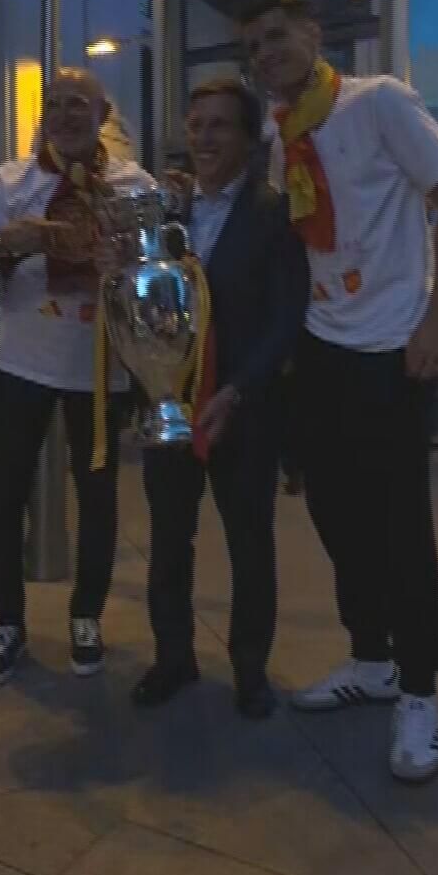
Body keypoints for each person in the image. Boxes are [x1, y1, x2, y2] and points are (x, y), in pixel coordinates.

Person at [240, 0, 438, 783]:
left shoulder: (380, 102)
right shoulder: (283, 136)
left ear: (313, 34)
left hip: (390, 343)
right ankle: (369, 656)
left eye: (277, 36)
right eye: (254, 48)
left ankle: (419, 688)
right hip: (323, 345)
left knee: (401, 522)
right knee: (337, 515)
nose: (267, 54)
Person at [0, 66, 143, 688]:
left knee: (98, 500)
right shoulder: (12, 181)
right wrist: (10, 242)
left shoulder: (132, 184)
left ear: (102, 110)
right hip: (20, 365)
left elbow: (160, 281)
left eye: (78, 104)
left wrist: (131, 261)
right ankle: (8, 623)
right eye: (53, 104)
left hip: (99, 366)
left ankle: (86, 616)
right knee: (3, 496)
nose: (64, 114)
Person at [127, 76, 309, 720]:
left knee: (250, 546)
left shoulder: (274, 211)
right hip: (171, 406)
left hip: (244, 411)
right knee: (170, 542)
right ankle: (173, 657)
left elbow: (286, 317)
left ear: (247, 136)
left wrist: (236, 392)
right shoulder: (163, 214)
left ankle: (251, 669)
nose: (202, 137)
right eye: (195, 123)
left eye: (219, 126)